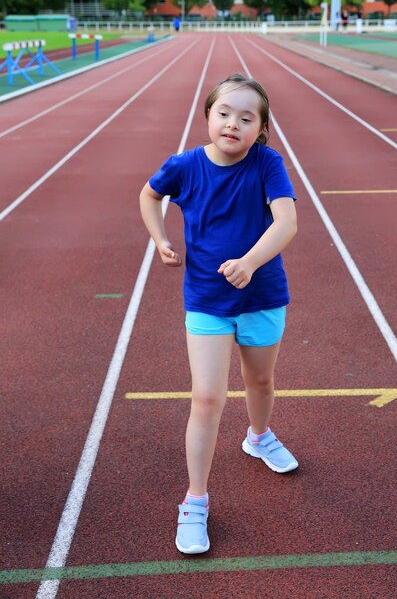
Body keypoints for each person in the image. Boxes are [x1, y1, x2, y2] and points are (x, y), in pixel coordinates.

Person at [139, 73, 298, 555]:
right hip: (207, 301)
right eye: (224, 113)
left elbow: (287, 220)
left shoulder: (267, 164)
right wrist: (161, 239)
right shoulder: (184, 165)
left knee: (261, 383)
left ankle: (259, 436)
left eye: (247, 118)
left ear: (261, 129)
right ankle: (195, 501)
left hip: (263, 296)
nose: (233, 124)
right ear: (207, 117)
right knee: (207, 399)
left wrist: (251, 263)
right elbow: (149, 195)